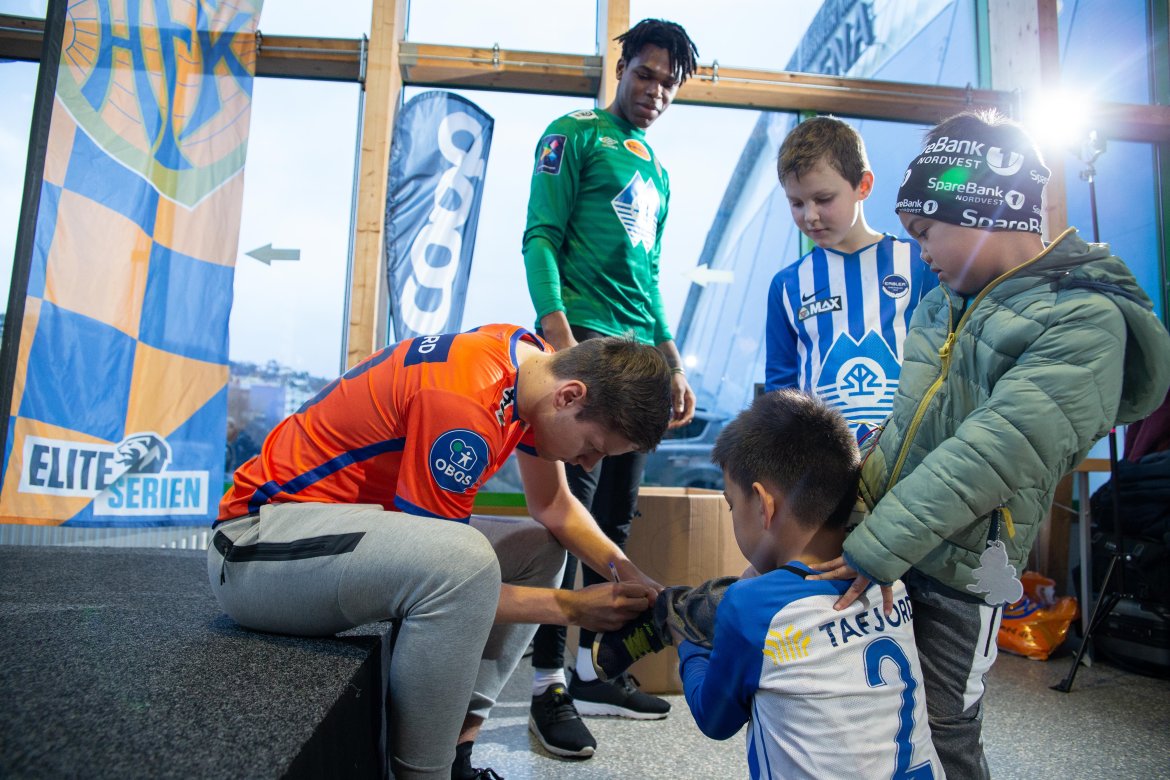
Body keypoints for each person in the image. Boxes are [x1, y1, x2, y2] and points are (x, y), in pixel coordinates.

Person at [808, 109, 1170, 779]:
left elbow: (992, 451)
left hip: (962, 572)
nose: (920, 253)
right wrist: (853, 506)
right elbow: (903, 425)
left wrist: (877, 543)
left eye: (926, 233)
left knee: (943, 726)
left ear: (984, 209)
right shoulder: (942, 304)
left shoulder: (1085, 320)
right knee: (881, 714)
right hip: (890, 545)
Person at [207, 324, 672, 780]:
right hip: (254, 546)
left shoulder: (529, 361)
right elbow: (456, 581)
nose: (588, 465)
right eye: (593, 447)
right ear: (569, 396)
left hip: (333, 531)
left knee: (541, 550)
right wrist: (572, 609)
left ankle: (457, 754)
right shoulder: (464, 404)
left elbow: (554, 507)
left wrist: (628, 572)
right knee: (463, 561)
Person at [591, 389, 943, 779]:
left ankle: (676, 615)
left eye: (731, 503)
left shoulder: (751, 607)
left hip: (745, 614)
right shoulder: (890, 581)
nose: (732, 512)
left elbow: (714, 720)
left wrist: (685, 642)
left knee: (721, 611)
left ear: (763, 505)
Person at [520, 17, 699, 757]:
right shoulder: (573, 133)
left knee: (616, 519)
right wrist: (561, 339)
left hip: (640, 357)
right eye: (645, 74)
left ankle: (598, 669)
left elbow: (649, 273)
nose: (655, 91)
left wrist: (672, 358)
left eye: (669, 83)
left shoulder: (657, 170)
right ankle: (547, 685)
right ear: (621, 68)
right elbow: (540, 235)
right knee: (571, 523)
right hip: (585, 345)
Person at [765, 115, 937, 440]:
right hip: (821, 458)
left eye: (823, 199)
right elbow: (780, 391)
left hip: (912, 451)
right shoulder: (786, 285)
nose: (810, 215)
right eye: (797, 203)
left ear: (864, 186)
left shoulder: (922, 261)